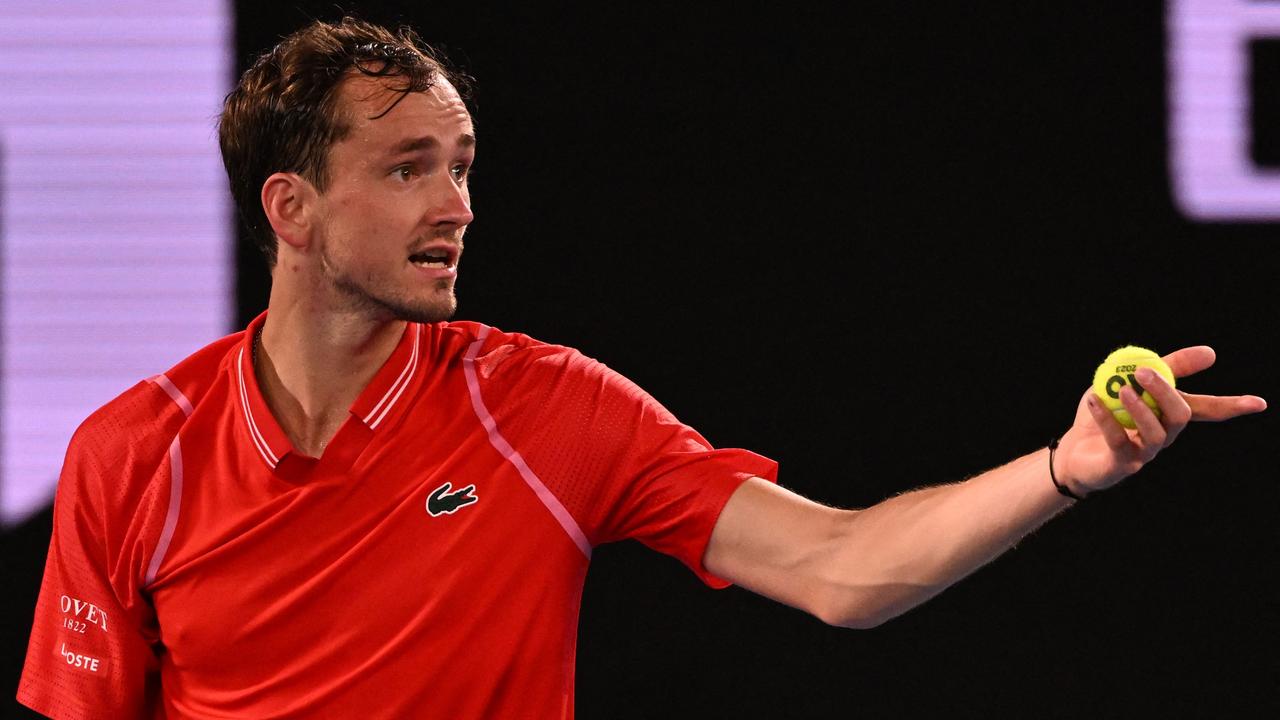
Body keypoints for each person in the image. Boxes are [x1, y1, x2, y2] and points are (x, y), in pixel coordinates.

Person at [16, 17, 1266, 720]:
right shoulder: (135, 454)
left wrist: (1066, 468)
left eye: (461, 164)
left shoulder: (543, 407)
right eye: (408, 169)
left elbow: (841, 571)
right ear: (291, 208)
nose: (455, 204)